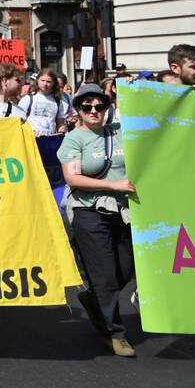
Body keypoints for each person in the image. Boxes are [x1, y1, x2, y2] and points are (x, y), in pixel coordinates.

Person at [59, 84, 137, 357]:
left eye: (99, 106)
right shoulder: (73, 139)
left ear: (107, 108)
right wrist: (114, 185)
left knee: (126, 268)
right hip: (88, 211)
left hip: (124, 211)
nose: (94, 111)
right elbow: (72, 178)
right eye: (87, 107)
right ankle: (115, 333)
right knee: (103, 276)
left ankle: (94, 300)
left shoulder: (119, 132)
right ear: (78, 110)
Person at [16, 67, 74, 136]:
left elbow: (60, 121)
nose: (45, 84)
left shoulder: (57, 101)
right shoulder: (28, 99)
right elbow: (19, 121)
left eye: (48, 82)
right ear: (37, 81)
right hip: (31, 139)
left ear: (53, 83)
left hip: (50, 139)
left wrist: (61, 133)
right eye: (42, 80)